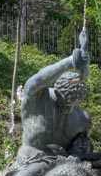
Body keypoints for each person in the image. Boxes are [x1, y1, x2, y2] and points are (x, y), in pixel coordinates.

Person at [17, 28, 91, 164]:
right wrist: (71, 61)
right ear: (58, 93)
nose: (71, 108)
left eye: (75, 104)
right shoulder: (38, 98)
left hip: (63, 165)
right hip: (32, 159)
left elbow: (82, 146)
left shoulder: (82, 119)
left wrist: (81, 149)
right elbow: (38, 79)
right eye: (67, 103)